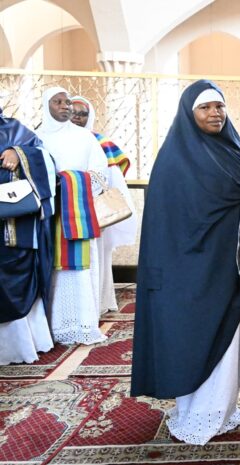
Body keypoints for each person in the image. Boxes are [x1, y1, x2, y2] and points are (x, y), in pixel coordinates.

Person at [131, 80, 240, 445]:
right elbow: (164, 224)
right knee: (192, 337)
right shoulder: (174, 159)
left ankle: (219, 411)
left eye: (219, 107)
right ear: (189, 113)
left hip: (231, 268)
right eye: (205, 108)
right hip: (188, 272)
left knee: (227, 340)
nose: (215, 114)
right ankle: (196, 412)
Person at [36, 87, 109, 345]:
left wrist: (69, 182)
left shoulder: (85, 137)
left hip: (77, 213)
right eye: (58, 102)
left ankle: (82, 323)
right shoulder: (36, 137)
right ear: (47, 106)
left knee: (79, 273)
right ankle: (50, 327)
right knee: (49, 269)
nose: (65, 106)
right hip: (47, 215)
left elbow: (101, 173)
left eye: (67, 102)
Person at [69, 95, 137, 314]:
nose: (77, 118)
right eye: (74, 112)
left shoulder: (100, 142)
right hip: (64, 210)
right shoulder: (56, 139)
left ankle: (96, 305)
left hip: (94, 210)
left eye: (83, 114)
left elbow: (113, 180)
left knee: (96, 257)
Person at [0, 108, 56, 365]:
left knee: (13, 274)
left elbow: (46, 158)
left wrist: (19, 154)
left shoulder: (14, 129)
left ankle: (17, 347)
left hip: (10, 225)